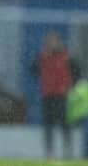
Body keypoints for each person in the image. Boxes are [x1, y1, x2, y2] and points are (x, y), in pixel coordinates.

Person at [32, 31, 80, 159]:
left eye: (54, 41)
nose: (52, 44)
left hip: (62, 95)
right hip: (48, 94)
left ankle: (68, 151)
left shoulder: (67, 57)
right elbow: (33, 69)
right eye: (50, 41)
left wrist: (71, 87)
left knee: (65, 124)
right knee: (48, 125)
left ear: (59, 42)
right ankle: (49, 152)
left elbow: (77, 73)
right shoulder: (43, 56)